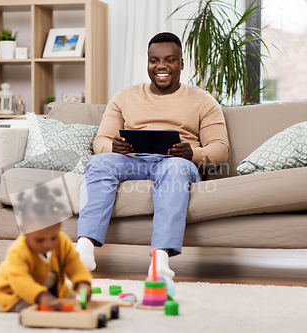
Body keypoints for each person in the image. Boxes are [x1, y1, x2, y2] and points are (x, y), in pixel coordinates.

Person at [75, 32, 230, 279]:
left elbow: (221, 148)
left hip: (177, 162)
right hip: (132, 160)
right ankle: (84, 248)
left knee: (174, 169)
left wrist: (192, 153)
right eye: (154, 60)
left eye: (169, 60)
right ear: (147, 63)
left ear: (181, 63)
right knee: (99, 161)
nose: (161, 66)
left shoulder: (203, 100)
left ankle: (160, 258)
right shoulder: (125, 96)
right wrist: (113, 147)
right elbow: (100, 141)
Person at [0, 185, 92, 312]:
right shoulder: (18, 251)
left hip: (49, 288)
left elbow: (74, 265)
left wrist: (83, 282)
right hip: (17, 292)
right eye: (39, 240)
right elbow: (21, 281)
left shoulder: (63, 242)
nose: (48, 244)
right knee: (28, 307)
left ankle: (50, 296)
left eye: (53, 237)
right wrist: (41, 296)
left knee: (68, 298)